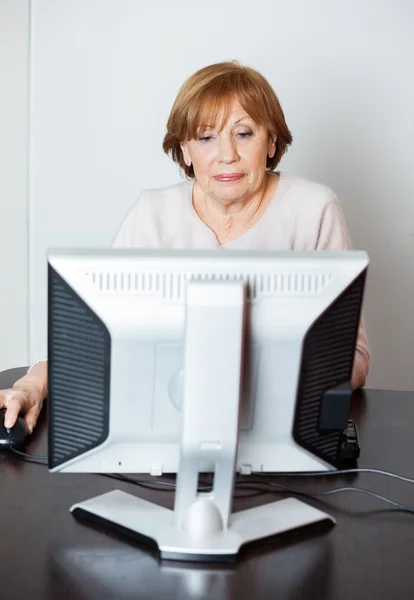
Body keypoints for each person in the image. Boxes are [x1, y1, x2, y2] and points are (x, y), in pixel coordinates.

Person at [0, 61, 370, 432]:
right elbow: (93, 338)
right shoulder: (153, 214)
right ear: (186, 151)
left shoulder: (313, 209)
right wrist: (32, 385)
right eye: (206, 138)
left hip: (279, 428)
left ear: (271, 141)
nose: (227, 154)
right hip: (166, 426)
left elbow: (353, 359)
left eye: (243, 133)